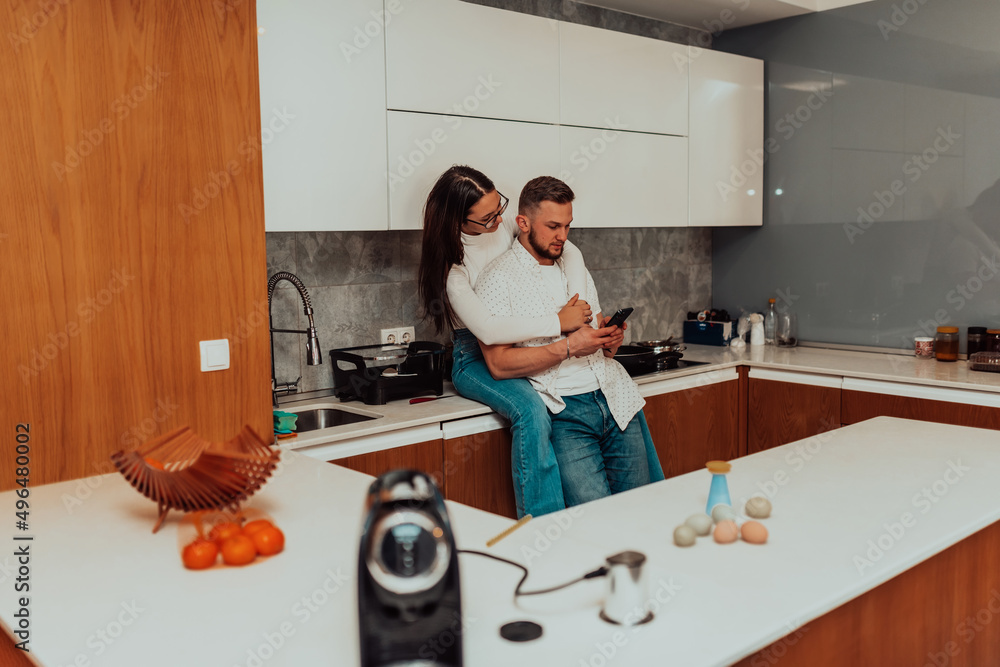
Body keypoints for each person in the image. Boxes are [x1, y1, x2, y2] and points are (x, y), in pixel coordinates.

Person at [417, 165, 619, 518]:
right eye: (487, 217)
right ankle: (543, 522)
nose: (499, 219)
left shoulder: (507, 224)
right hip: (474, 357)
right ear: (459, 220)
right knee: (531, 410)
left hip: (528, 341)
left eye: (500, 207)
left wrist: (576, 309)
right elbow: (490, 331)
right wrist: (560, 322)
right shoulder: (454, 268)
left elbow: (570, 252)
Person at [475, 176, 665, 506]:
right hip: (565, 412)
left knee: (643, 510)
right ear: (523, 222)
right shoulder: (497, 279)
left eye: (567, 226)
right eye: (552, 226)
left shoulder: (574, 264)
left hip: (614, 401)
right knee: (592, 522)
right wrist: (568, 347)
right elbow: (499, 364)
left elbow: (599, 334)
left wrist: (610, 338)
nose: (562, 236)